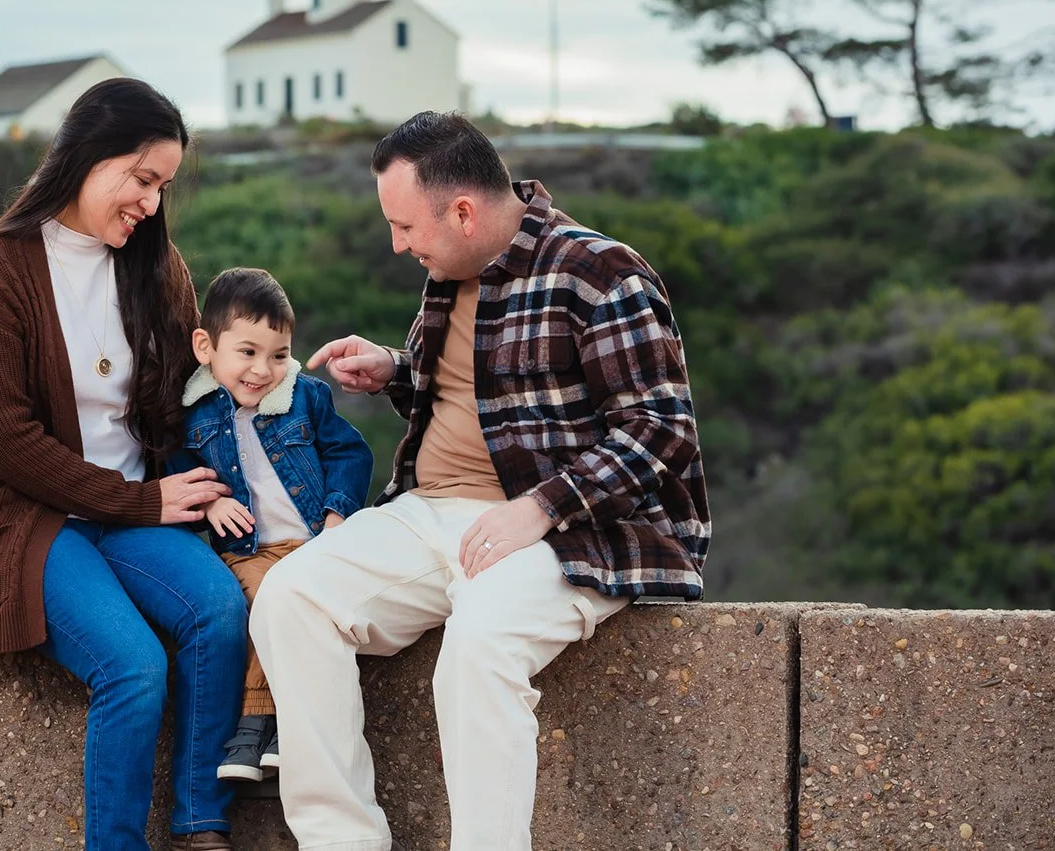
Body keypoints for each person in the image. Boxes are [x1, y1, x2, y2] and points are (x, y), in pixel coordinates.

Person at [250, 111, 711, 851]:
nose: (398, 243)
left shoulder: (600, 272)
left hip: (575, 528)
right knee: (289, 597)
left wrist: (537, 510)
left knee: (482, 640)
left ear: (463, 210)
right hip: (432, 512)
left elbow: (660, 428)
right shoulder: (450, 273)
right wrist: (397, 373)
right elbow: (480, 404)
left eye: (405, 226)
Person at [0, 78, 248, 851]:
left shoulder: (155, 267)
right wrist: (140, 503)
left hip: (134, 509)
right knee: (133, 667)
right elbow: (3, 441)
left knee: (220, 611)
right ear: (87, 154)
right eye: (141, 179)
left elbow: (193, 394)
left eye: (162, 187)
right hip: (27, 521)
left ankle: (201, 824)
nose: (149, 202)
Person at [167, 267, 374, 784]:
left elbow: (351, 452)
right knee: (266, 600)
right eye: (247, 352)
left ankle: (261, 723)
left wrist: (336, 513)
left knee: (307, 604)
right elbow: (176, 473)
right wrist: (210, 503)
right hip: (248, 551)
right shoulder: (193, 417)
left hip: (311, 545)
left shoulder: (305, 396)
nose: (263, 370)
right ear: (205, 347)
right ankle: (273, 718)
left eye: (278, 355)